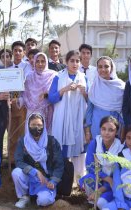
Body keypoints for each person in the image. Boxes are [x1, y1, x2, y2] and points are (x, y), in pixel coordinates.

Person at [49, 50, 87, 183]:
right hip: (62, 119)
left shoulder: (83, 77)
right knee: (62, 146)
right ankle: (62, 179)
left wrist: (84, 92)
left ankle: (78, 180)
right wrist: (64, 89)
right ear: (66, 62)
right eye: (72, 61)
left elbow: (89, 101)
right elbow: (51, 98)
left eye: (78, 61)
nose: (75, 64)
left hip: (78, 117)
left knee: (79, 146)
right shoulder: (58, 77)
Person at [12, 113, 64, 208]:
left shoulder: (52, 142)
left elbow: (59, 165)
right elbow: (18, 161)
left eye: (39, 125)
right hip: (31, 176)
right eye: (33, 125)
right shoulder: (23, 141)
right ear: (28, 126)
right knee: (16, 172)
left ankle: (40, 196)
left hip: (47, 180)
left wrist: (53, 181)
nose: (36, 128)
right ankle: (24, 197)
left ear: (44, 126)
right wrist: (34, 171)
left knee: (44, 201)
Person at [79, 116, 124, 209]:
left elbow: (117, 176)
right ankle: (93, 198)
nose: (106, 133)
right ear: (100, 129)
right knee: (88, 179)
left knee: (101, 203)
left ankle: (108, 200)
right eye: (103, 129)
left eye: (111, 130)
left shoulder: (120, 148)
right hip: (98, 180)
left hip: (112, 185)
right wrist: (106, 178)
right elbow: (90, 166)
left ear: (116, 132)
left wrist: (102, 189)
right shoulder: (95, 143)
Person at [85, 56, 125, 143]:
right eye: (100, 67)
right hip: (96, 127)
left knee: (113, 154)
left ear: (111, 68)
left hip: (114, 127)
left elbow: (124, 111)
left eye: (106, 66)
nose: (103, 69)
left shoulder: (120, 86)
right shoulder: (94, 87)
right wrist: (87, 131)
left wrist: (123, 131)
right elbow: (89, 111)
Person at [20, 52, 56, 133]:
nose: (40, 64)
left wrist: (47, 94)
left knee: (46, 135)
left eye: (43, 61)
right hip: (31, 111)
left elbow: (57, 93)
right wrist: (14, 99)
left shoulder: (53, 75)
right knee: (31, 134)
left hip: (47, 111)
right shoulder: (29, 76)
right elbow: (23, 94)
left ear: (46, 62)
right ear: (34, 63)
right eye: (37, 61)